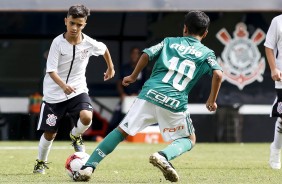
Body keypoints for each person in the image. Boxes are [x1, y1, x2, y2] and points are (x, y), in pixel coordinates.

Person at [74, 10, 223, 182]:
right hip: (174, 101)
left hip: (149, 94)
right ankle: (163, 156)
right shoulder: (207, 53)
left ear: (184, 28)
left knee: (121, 131)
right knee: (189, 139)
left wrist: (133, 76)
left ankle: (88, 166)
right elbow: (218, 75)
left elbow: (146, 54)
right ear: (205, 33)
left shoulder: (169, 42)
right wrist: (211, 100)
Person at [33, 4, 115, 174]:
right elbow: (51, 70)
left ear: (84, 24)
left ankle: (76, 135)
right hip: (54, 94)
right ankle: (41, 162)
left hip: (77, 90)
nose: (75, 28)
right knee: (50, 133)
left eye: (79, 24)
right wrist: (63, 86)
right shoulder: (57, 43)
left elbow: (104, 48)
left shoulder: (89, 43)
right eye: (72, 23)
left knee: (86, 117)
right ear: (66, 21)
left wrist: (110, 68)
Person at [106, 47, 145, 135]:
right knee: (117, 116)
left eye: (137, 53)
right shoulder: (125, 68)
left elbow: (145, 84)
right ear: (130, 55)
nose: (135, 55)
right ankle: (109, 135)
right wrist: (122, 95)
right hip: (126, 97)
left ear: (140, 56)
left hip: (138, 98)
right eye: (133, 53)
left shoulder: (143, 69)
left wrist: (139, 95)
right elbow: (119, 83)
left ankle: (134, 136)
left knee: (136, 117)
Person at [264, 14, 282, 170]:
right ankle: (276, 150)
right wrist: (274, 68)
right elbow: (269, 46)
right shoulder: (278, 21)